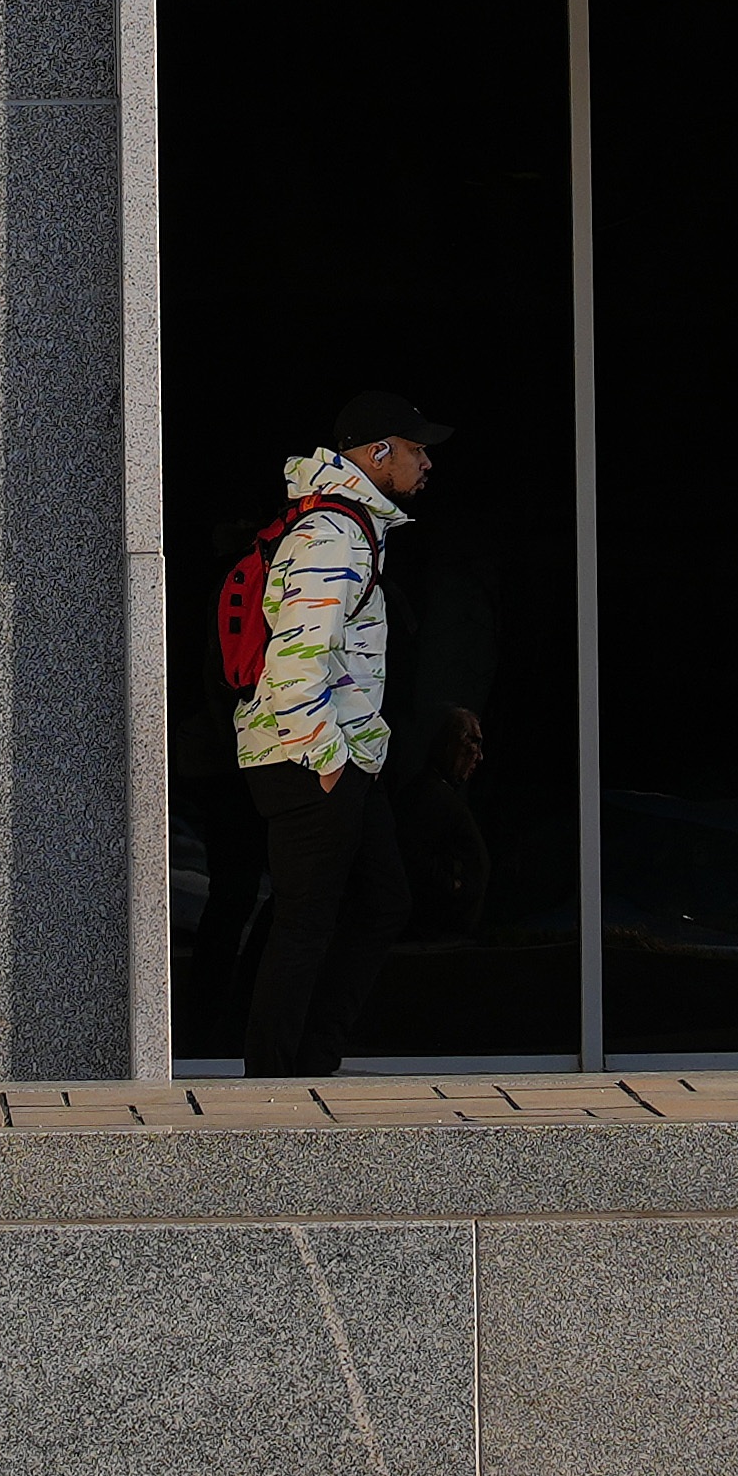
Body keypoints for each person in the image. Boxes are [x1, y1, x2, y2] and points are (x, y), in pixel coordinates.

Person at [207, 391, 471, 1079]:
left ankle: (310, 1064)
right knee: (303, 922)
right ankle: (274, 1082)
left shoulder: (351, 525)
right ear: (376, 451)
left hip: (336, 755)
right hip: (307, 755)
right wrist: (327, 758)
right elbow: (299, 657)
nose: (426, 462)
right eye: (415, 449)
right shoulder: (330, 533)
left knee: (379, 900)